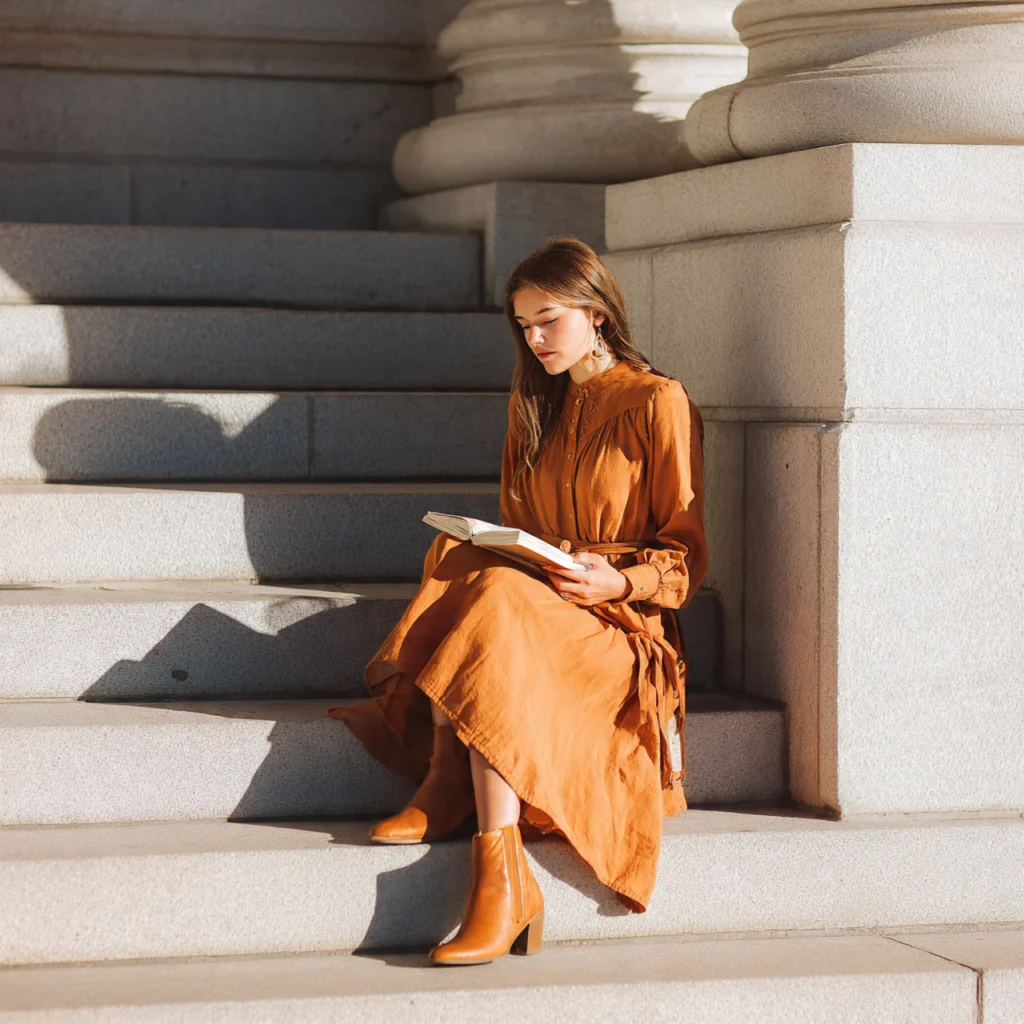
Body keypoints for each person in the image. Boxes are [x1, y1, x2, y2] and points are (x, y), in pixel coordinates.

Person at [327, 235, 708, 966]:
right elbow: (517, 529)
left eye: (548, 320)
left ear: (596, 314)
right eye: (522, 325)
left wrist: (616, 581)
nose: (533, 340)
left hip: (620, 628)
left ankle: (495, 873)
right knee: (461, 557)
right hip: (537, 608)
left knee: (497, 599)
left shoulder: (656, 401)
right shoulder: (535, 406)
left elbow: (686, 560)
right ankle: (461, 800)